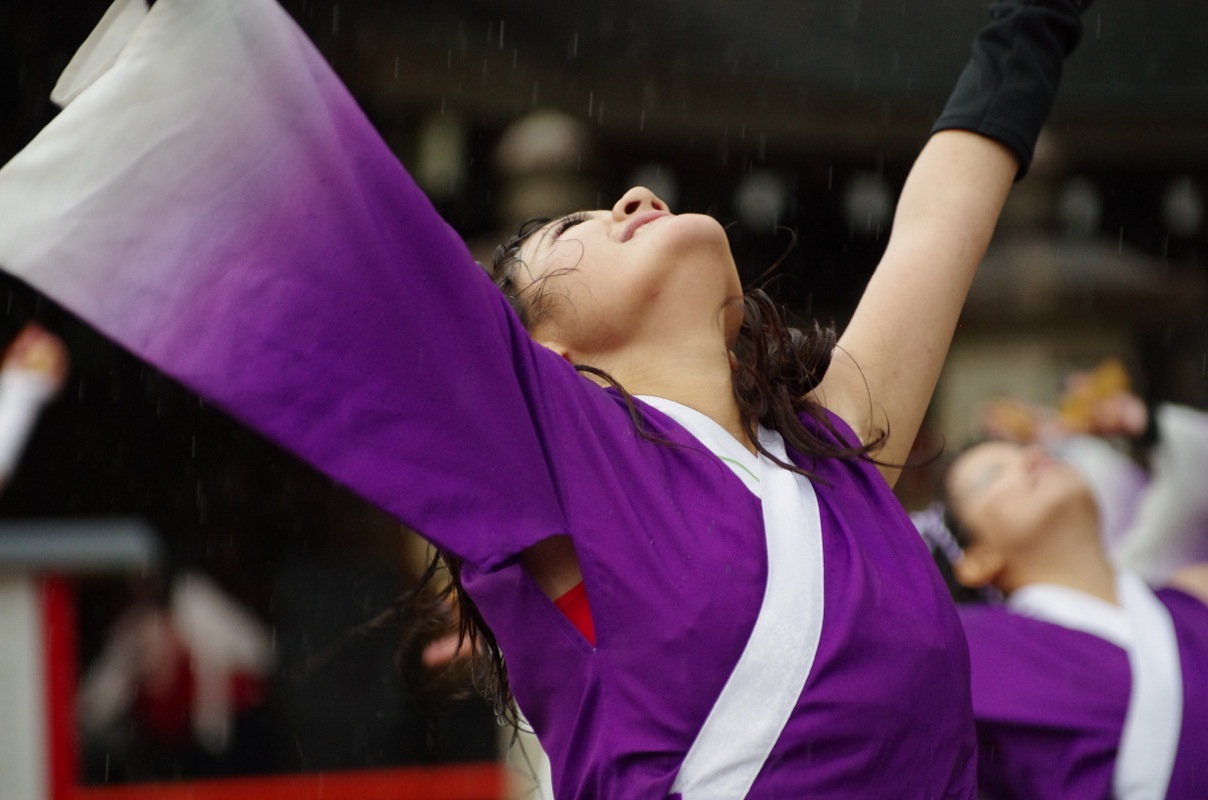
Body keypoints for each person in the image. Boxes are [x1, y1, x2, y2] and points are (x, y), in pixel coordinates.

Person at [0, 0, 1094, 795]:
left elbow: (939, 220)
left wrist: (1034, 18)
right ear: (545, 356)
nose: (630, 197)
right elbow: (369, 247)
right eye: (569, 228)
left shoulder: (835, 447)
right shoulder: (545, 446)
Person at [937, 413, 1208, 798]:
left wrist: (1146, 420)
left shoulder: (1194, 594)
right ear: (976, 559)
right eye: (993, 475)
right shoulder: (964, 647)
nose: (1032, 456)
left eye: (1025, 448)